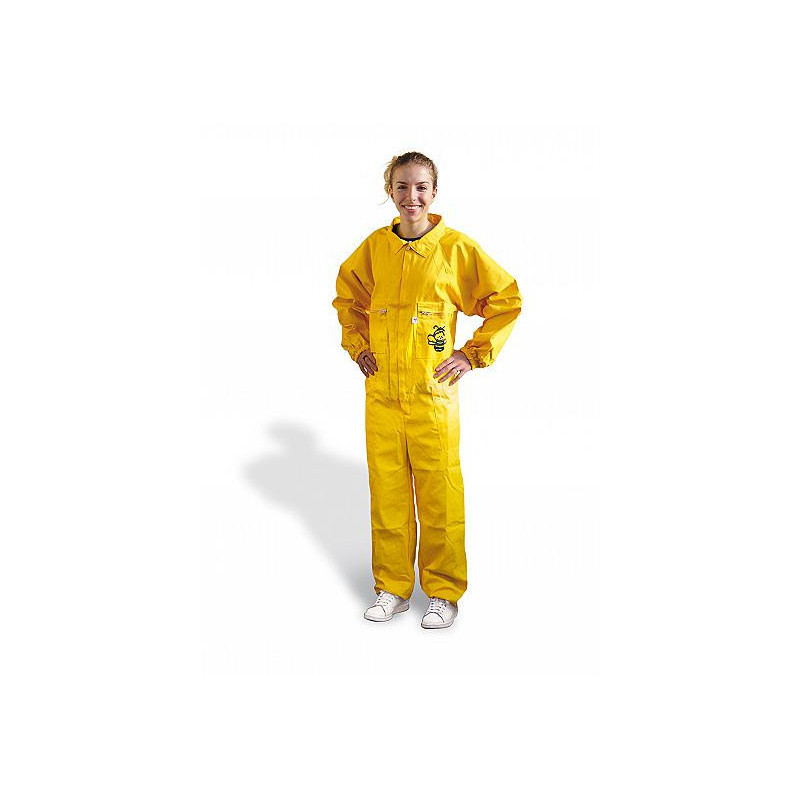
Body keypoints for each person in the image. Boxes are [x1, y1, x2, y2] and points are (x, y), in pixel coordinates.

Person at [332, 151, 522, 629]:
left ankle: (442, 592)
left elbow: (505, 299)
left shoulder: (455, 249)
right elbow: (347, 297)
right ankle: (392, 587)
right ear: (389, 191)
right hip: (382, 395)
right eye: (402, 186)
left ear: (434, 192)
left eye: (420, 187)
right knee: (388, 494)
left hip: (433, 396)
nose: (411, 196)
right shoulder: (374, 249)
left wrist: (471, 354)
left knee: (439, 494)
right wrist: (358, 346)